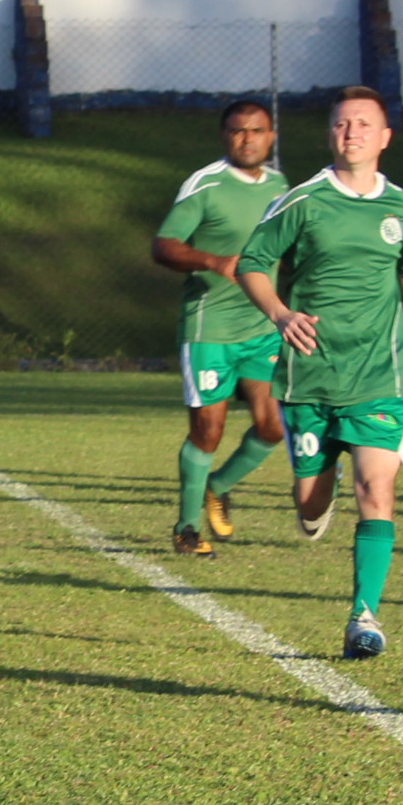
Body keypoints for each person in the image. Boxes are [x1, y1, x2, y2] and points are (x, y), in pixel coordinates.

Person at [234, 85, 403, 659]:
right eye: (342, 124)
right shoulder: (303, 202)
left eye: (363, 124)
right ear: (331, 134)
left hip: (380, 374)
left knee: (376, 488)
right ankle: (315, 498)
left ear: (385, 137)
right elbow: (251, 263)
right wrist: (280, 314)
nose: (352, 133)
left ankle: (364, 616)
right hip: (310, 375)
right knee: (310, 501)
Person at [152, 97, 288, 555]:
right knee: (208, 430)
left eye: (256, 131)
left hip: (262, 326)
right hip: (209, 328)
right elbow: (163, 245)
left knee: (274, 426)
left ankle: (219, 486)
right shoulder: (205, 185)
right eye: (237, 130)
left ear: (270, 137)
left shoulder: (281, 186)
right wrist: (213, 261)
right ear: (224, 136)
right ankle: (187, 529)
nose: (247, 139)